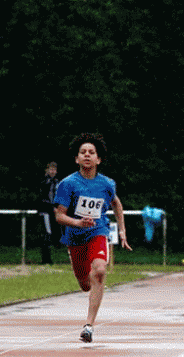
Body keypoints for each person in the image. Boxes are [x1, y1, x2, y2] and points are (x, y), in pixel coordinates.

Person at [52, 133, 132, 343]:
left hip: (98, 231)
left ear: (98, 159)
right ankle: (83, 273)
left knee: (99, 271)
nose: (87, 155)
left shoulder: (107, 183)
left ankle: (89, 326)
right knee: (85, 284)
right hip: (75, 237)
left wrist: (122, 230)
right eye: (83, 152)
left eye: (91, 152)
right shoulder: (68, 184)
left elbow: (116, 203)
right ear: (77, 159)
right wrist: (78, 223)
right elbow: (59, 215)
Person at [38, 162, 59, 264]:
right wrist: (51, 207)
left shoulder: (56, 182)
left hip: (53, 211)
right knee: (47, 233)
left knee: (51, 234)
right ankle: (46, 259)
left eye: (54, 170)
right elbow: (43, 197)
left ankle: (48, 259)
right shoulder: (44, 181)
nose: (52, 171)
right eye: (51, 169)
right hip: (45, 211)